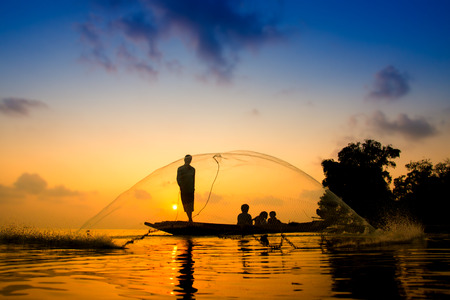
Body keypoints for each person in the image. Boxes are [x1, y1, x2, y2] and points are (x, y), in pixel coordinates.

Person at [177, 154, 195, 223]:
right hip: (184, 189)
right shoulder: (180, 169)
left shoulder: (193, 169)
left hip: (191, 189)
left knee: (190, 205)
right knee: (186, 204)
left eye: (190, 160)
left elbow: (193, 179)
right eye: (188, 159)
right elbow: (178, 178)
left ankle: (190, 219)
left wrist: (193, 188)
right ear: (185, 160)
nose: (189, 161)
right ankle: (190, 219)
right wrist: (181, 186)